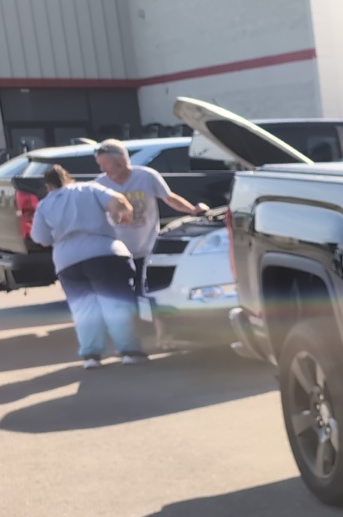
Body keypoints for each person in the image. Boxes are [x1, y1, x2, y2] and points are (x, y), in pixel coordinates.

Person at [27, 164, 146, 368]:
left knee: (83, 309)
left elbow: (40, 238)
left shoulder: (45, 205)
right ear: (69, 177)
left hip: (67, 261)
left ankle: (91, 356)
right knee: (115, 305)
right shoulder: (89, 188)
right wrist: (124, 214)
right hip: (104, 252)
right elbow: (118, 201)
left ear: (48, 185)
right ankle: (129, 351)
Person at [92, 138, 208, 289]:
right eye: (100, 165)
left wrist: (193, 210)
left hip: (146, 248)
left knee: (145, 289)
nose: (103, 169)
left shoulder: (146, 176)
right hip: (117, 251)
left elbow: (169, 198)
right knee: (122, 291)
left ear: (121, 161)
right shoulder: (100, 184)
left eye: (105, 164)